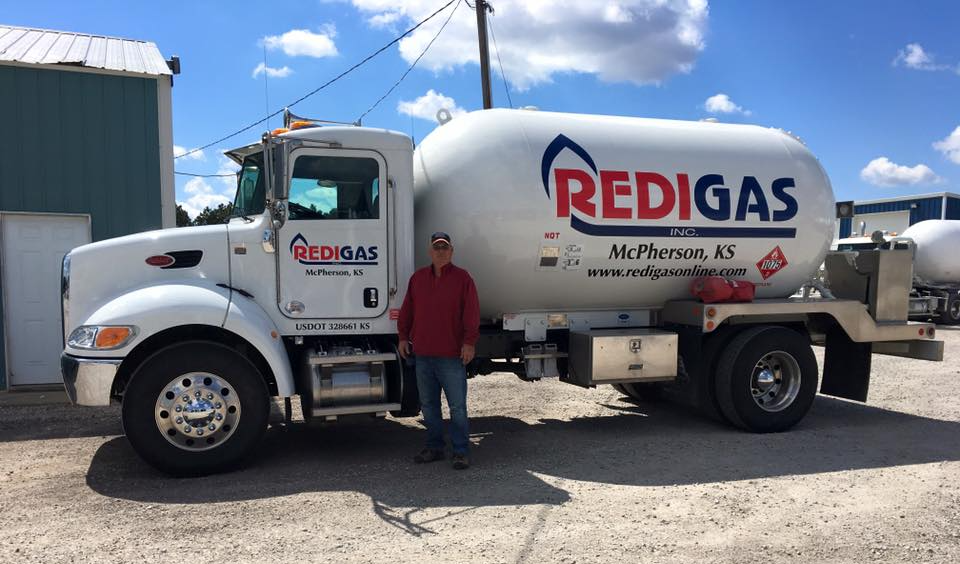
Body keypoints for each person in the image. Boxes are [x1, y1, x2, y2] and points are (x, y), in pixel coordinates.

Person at [397, 231, 480, 470]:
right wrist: (403, 337)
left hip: (451, 357)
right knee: (429, 405)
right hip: (423, 355)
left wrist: (469, 343)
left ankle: (461, 451)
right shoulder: (418, 279)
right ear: (430, 252)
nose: (440, 251)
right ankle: (435, 447)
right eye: (436, 247)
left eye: (445, 247)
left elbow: (471, 314)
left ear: (451, 252)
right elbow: (407, 311)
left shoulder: (463, 279)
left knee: (457, 407)